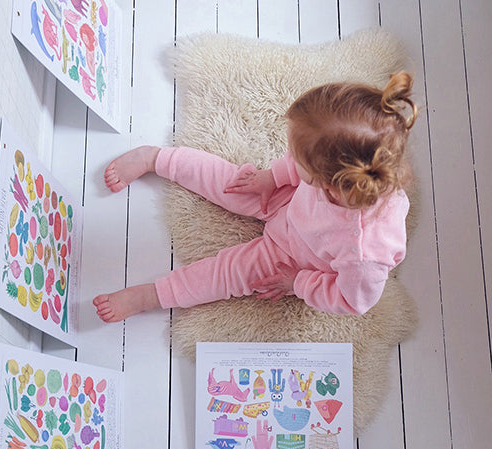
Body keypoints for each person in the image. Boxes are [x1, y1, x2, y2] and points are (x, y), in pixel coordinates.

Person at [93, 72, 417, 323]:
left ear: (327, 182)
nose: (289, 155)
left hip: (295, 258)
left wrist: (299, 283)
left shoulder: (365, 253)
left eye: (297, 158)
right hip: (291, 201)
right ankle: (156, 158)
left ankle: (151, 296)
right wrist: (272, 178)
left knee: (230, 273)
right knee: (235, 183)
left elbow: (352, 301)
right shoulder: (336, 169)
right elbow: (298, 165)